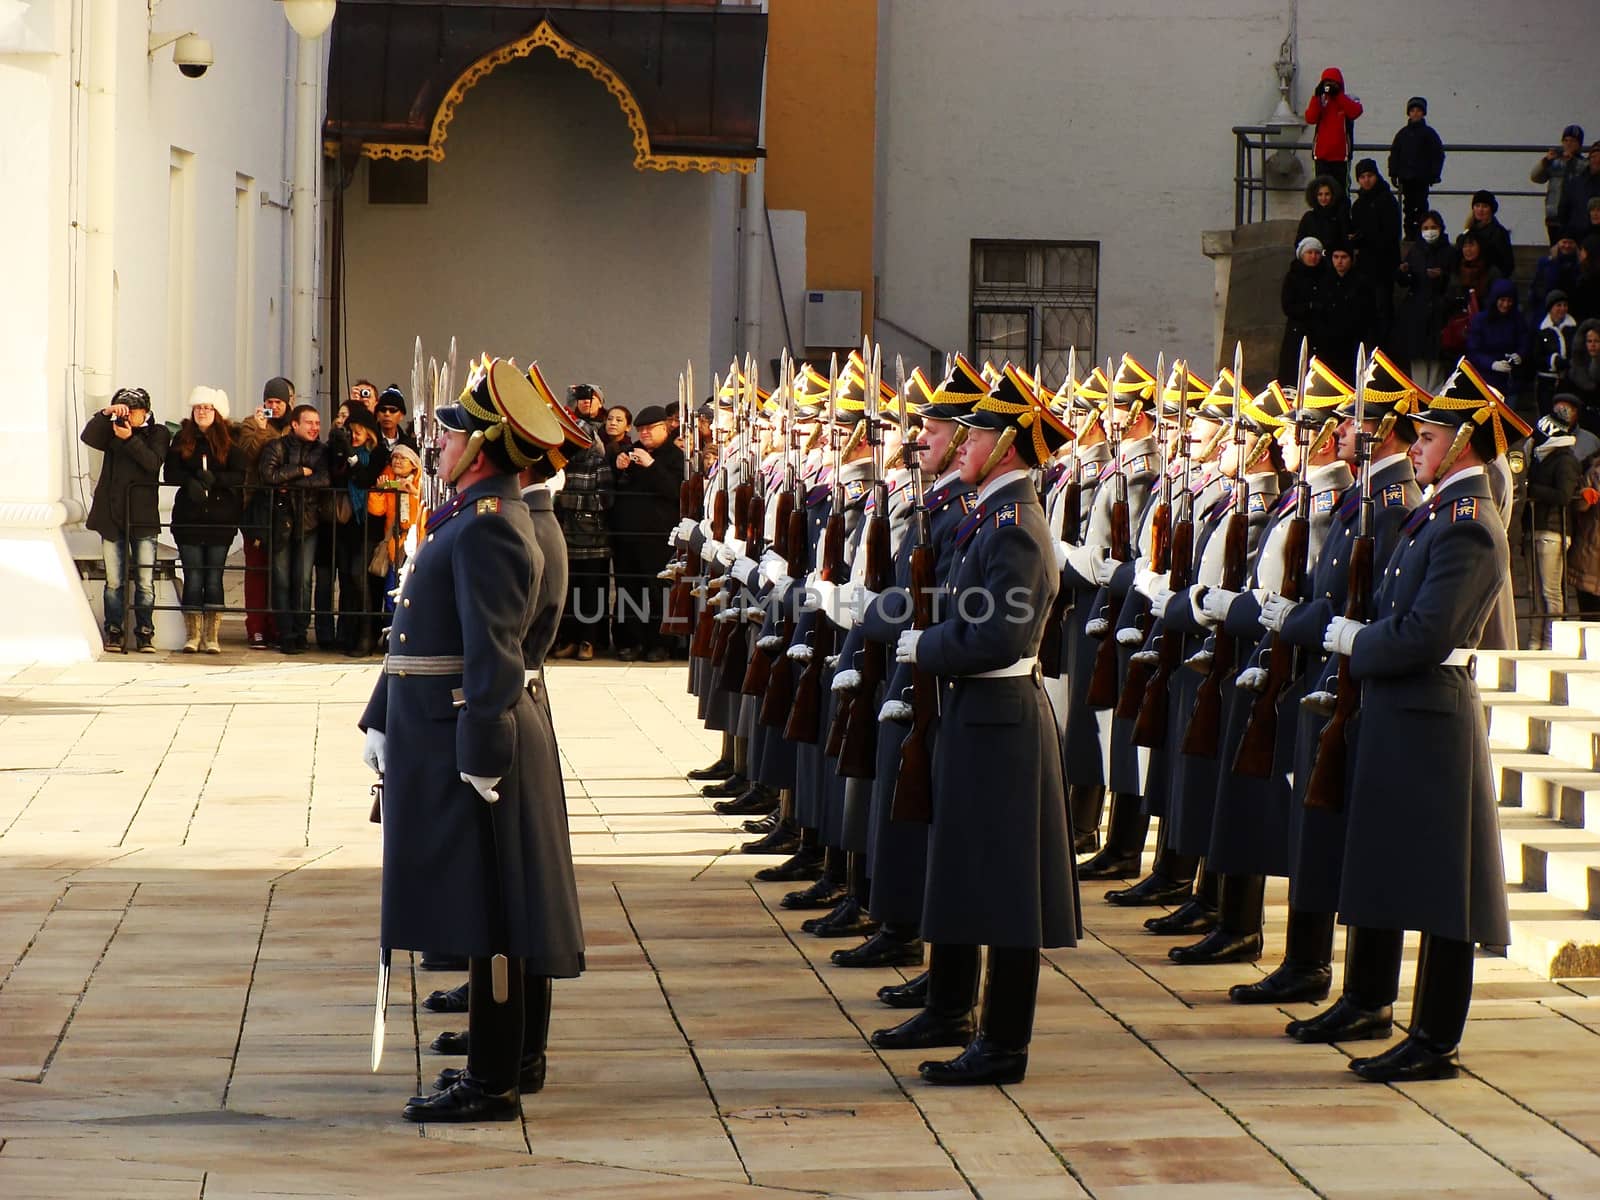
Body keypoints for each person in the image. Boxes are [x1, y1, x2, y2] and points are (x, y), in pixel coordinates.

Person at [359, 357, 586, 1123]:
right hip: (442, 731)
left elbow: (496, 656)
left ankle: (493, 1081)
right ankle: (498, 1065)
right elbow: (415, 631)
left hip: (474, 742)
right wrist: (381, 714)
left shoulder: (491, 530)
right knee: (483, 907)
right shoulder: (467, 516)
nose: (439, 443)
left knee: (492, 916)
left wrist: (482, 756)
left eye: (451, 433)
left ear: (481, 448)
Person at [1289, 361, 1527, 1083]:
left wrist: (1350, 641)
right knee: (1401, 870)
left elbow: (1424, 633)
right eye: (1419, 436)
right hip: (1405, 712)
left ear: (1463, 445)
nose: (1413, 447)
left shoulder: (1468, 524)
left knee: (1443, 888)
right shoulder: (1437, 515)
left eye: (1427, 437)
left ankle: (1436, 1037)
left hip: (1432, 714)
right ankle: (1383, 1006)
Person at [872, 363, 1078, 1087]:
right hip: (974, 713)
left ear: (1011, 443)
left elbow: (1003, 635)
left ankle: (1004, 1045)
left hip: (1000, 717)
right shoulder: (992, 513)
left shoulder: (1016, 523)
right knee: (968, 872)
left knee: (1007, 890)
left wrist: (923, 646)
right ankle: (957, 1009)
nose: (964, 442)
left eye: (982, 431)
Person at [81, 386, 171, 652]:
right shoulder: (111, 430)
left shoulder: (159, 432)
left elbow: (153, 462)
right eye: (123, 410)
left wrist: (130, 438)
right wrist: (106, 413)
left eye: (131, 411)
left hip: (143, 517)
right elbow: (88, 437)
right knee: (114, 581)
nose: (127, 415)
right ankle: (114, 630)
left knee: (145, 580)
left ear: (144, 411)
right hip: (111, 515)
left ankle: (145, 632)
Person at [164, 386, 245, 654]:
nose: (202, 412)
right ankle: (192, 634)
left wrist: (217, 480)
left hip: (220, 520)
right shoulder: (182, 439)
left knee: (213, 577)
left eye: (208, 408)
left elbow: (239, 474)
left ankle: (212, 635)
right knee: (192, 575)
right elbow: (171, 472)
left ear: (217, 412)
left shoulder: (229, 441)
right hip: (189, 518)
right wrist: (190, 482)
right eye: (199, 407)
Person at [609, 405, 683, 662]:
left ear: (664, 428)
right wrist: (619, 467)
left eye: (650, 429)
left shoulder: (675, 456)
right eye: (641, 430)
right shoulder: (630, 451)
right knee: (629, 589)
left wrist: (651, 465)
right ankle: (631, 641)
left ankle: (659, 643)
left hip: (658, 537)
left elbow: (674, 492)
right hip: (627, 536)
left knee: (658, 590)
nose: (645, 434)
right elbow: (616, 488)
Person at [259, 403, 330, 654]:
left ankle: (300, 631)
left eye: (318, 423)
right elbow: (268, 474)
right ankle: (286, 633)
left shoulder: (321, 451)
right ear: (295, 424)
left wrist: (292, 481)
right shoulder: (276, 446)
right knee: (281, 579)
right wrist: (300, 470)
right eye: (309, 423)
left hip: (309, 521)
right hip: (280, 520)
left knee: (303, 580)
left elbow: (324, 478)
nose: (315, 428)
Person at [552, 383, 613, 660]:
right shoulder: (559, 465)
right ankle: (569, 638)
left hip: (593, 534)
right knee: (567, 587)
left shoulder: (598, 460)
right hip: (565, 531)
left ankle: (589, 640)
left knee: (590, 589)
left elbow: (605, 499)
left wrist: (571, 502)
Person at [236, 378, 292, 649]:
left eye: (278, 402)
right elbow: (248, 456)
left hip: (285, 509)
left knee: (280, 571)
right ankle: (256, 628)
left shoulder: (295, 425)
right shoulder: (250, 424)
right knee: (257, 569)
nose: (273, 407)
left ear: (288, 402)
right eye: (269, 402)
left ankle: (278, 626)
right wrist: (260, 430)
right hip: (256, 508)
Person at [330, 404, 386, 656]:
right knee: (348, 582)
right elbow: (335, 476)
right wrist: (339, 449)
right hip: (345, 527)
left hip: (368, 526)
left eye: (358, 431)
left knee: (359, 576)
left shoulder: (378, 453)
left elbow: (364, 478)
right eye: (349, 431)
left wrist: (352, 455)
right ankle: (349, 634)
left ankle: (367, 634)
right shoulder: (344, 452)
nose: (353, 436)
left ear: (369, 433)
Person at [1524, 408, 1581, 646]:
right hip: (1535, 529)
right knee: (1534, 591)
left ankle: (1551, 642)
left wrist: (1532, 490)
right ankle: (1534, 642)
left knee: (1550, 592)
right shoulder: (1541, 457)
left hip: (1553, 531)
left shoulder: (1565, 459)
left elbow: (1564, 495)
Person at [1394, 210, 1455, 388]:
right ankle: (1419, 396)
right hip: (1417, 311)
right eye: (1426, 227)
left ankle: (1435, 399)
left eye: (1433, 227)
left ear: (1441, 228)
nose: (1429, 231)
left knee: (1436, 360)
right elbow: (1406, 281)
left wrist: (1441, 276)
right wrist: (1403, 272)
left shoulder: (1449, 251)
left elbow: (1454, 279)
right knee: (1418, 360)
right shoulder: (1416, 250)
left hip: (1439, 311)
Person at [1347, 159, 1401, 342]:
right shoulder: (1358, 205)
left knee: (1383, 310)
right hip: (1364, 266)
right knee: (1366, 310)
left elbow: (1390, 234)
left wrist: (1364, 237)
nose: (1366, 180)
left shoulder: (1387, 201)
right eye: (1362, 177)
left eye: (1369, 176)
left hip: (1384, 265)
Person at [367, 443, 422, 608]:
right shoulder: (388, 478)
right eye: (395, 457)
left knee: (413, 592)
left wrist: (413, 492)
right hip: (394, 543)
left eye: (402, 458)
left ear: (413, 463)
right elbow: (377, 510)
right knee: (391, 592)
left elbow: (428, 506)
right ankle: (391, 628)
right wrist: (378, 491)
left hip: (417, 542)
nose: (397, 461)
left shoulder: (422, 481)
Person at [1313, 245, 1374, 385]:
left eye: (1343, 257)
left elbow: (1368, 313)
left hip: (1353, 341)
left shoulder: (1361, 282)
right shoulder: (1325, 281)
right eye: (1336, 257)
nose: (1339, 261)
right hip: (1329, 341)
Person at [1388, 97, 1445, 240]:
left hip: (1422, 178)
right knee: (1408, 208)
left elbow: (1438, 154)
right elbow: (1395, 153)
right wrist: (1393, 173)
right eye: (1412, 111)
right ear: (1408, 113)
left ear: (1423, 113)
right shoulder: (1402, 134)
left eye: (1418, 111)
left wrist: (1434, 174)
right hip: (1406, 177)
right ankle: (1409, 235)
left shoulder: (1429, 134)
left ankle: (1422, 234)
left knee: (1421, 207)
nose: (1415, 113)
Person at [1303, 67, 1362, 201]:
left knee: (1341, 193)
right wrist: (1316, 96)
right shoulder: (1321, 101)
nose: (1329, 87)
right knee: (1321, 194)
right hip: (1321, 156)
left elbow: (1355, 112)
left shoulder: (1346, 100)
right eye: (1326, 83)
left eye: (1333, 83)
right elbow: (1310, 118)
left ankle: (1342, 219)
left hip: (1341, 157)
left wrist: (1338, 95)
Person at [1467, 279, 1526, 409]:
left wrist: (1520, 355)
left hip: (1510, 381)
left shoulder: (1517, 319)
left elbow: (1524, 341)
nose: (1506, 305)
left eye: (1509, 301)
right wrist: (1492, 364)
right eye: (1502, 300)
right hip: (1486, 381)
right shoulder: (1481, 320)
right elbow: (1473, 351)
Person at [1280, 237, 1328, 382]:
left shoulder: (1326, 275)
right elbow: (1287, 305)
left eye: (1317, 253)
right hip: (1298, 332)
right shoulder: (1293, 276)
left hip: (1320, 332)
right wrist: (1308, 307)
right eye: (1310, 253)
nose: (1313, 257)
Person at [1533, 125, 1587, 246]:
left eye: (1573, 141)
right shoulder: (1555, 162)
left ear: (1579, 144)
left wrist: (1571, 161)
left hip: (1574, 217)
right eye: (1566, 140)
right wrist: (1546, 161)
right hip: (1554, 215)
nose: (1568, 144)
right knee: (1555, 249)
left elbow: (1582, 177)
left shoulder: (1584, 164)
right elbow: (1535, 177)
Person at [1533, 291, 1578, 414]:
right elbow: (1535, 357)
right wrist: (1553, 361)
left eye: (1565, 305)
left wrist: (1568, 363)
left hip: (1568, 383)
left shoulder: (1574, 328)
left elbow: (1578, 352)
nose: (1562, 308)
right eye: (1558, 305)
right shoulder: (1541, 330)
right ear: (1550, 308)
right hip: (1546, 384)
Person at [1459, 190, 1515, 281]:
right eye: (1477, 206)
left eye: (1485, 206)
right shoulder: (1469, 231)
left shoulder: (1499, 232)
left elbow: (1507, 263)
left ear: (1491, 209)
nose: (1480, 210)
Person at [1529, 235, 1581, 320]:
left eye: (1571, 243)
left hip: (1572, 310)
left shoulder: (1579, 266)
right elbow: (1537, 287)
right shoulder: (1545, 263)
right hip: (1546, 310)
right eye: (1564, 242)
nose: (1567, 246)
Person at [1560, 142, 1600, 242]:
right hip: (1578, 237)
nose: (1597, 160)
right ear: (1589, 159)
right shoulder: (1575, 183)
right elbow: (1563, 211)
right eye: (1594, 157)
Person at [1295, 177, 1347, 252]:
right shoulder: (1309, 217)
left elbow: (1344, 242)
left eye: (1327, 194)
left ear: (1333, 195)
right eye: (1320, 194)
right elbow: (1299, 243)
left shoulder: (1339, 216)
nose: (1323, 198)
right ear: (1315, 196)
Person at [374, 387, 418, 455]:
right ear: (377, 414)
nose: (387, 414)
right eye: (383, 409)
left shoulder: (409, 445)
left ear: (401, 415)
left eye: (393, 410)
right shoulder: (369, 441)